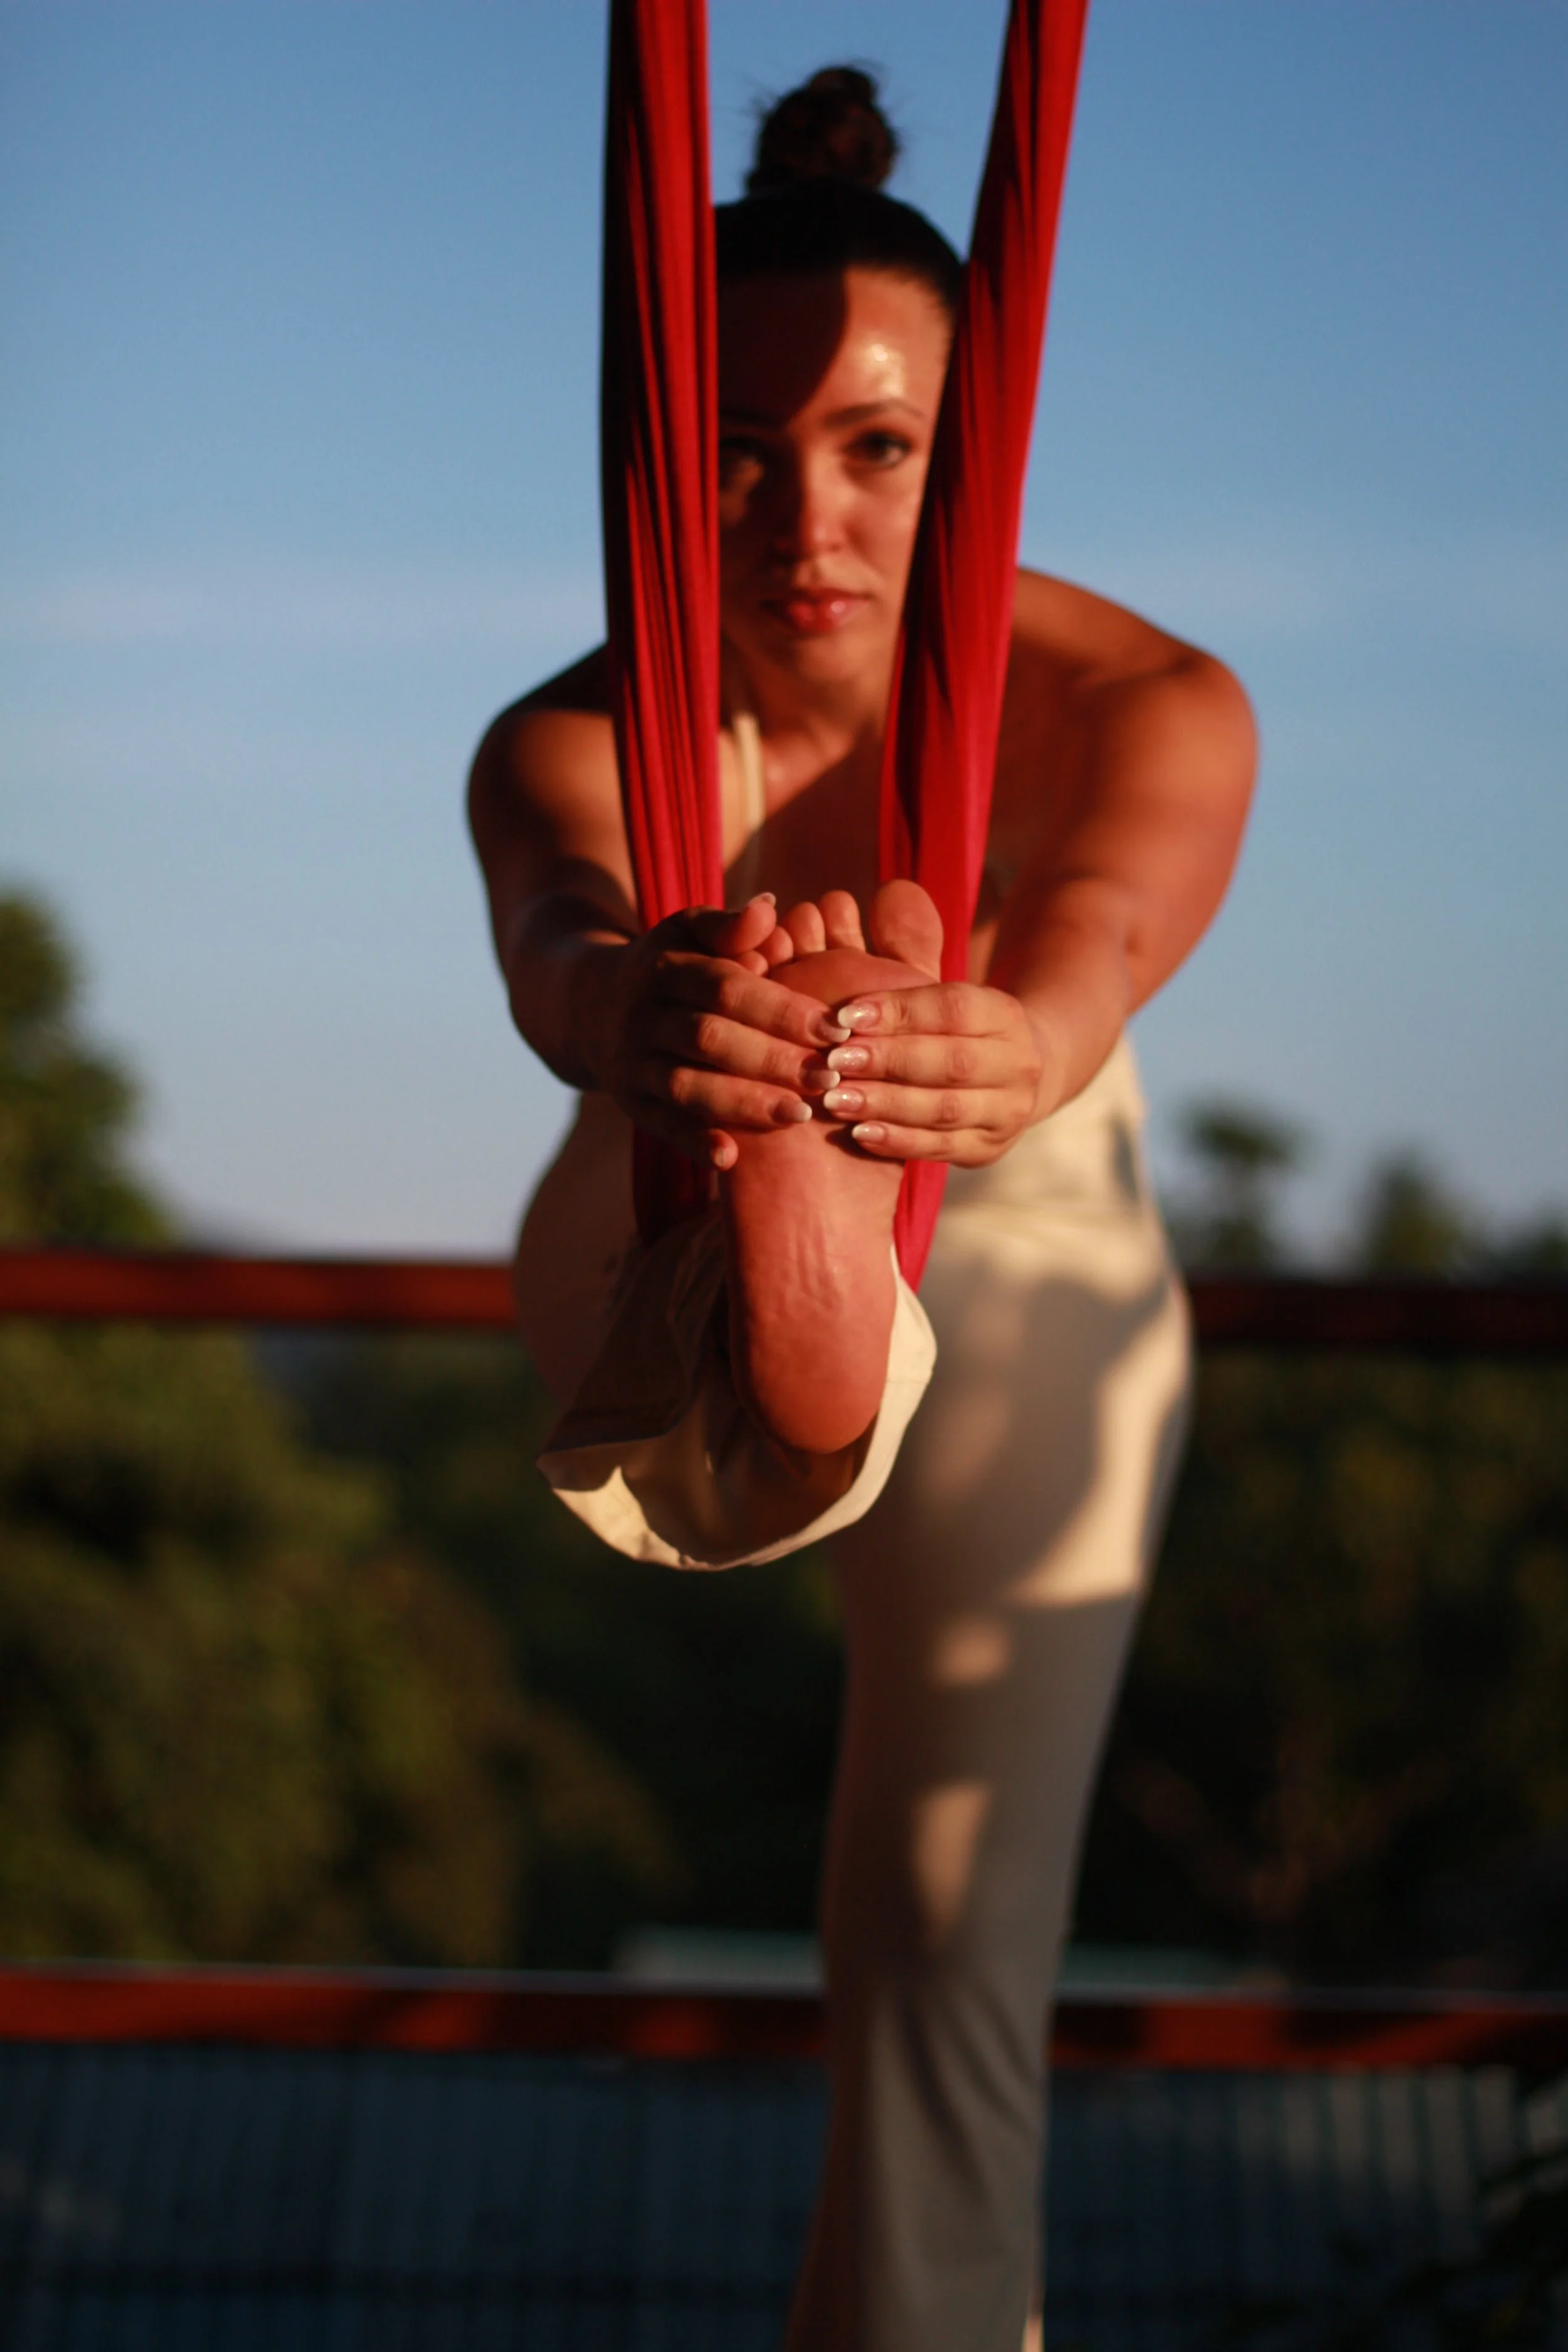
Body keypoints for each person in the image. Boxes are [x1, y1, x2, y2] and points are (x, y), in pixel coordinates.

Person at [469, 66, 1255, 2352]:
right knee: (935, 1954)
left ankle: (815, 1308)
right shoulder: (572, 735)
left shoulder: (1144, 701)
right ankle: (787, 1280)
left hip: (1023, 1210)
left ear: (969, 447)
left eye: (878, 447)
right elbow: (557, 945)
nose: (805, 520)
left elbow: (1095, 940)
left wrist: (1014, 1047)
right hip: (678, 1140)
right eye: (735, 452)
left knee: (933, 1925)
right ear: (654, 459)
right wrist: (631, 1008)